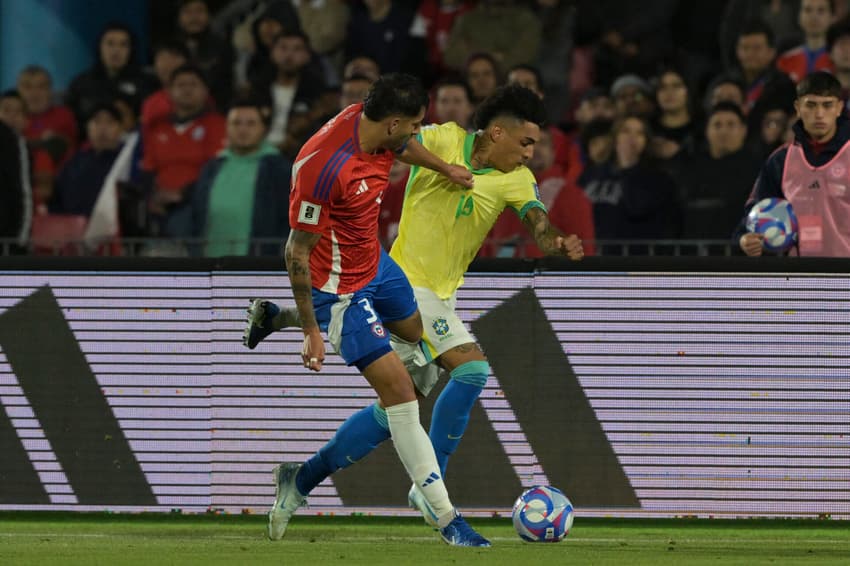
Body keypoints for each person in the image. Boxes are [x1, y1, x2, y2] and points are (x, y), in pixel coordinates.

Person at [244, 84, 584, 527]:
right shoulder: (442, 138)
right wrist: (441, 166)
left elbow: (538, 224)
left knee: (392, 413)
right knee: (472, 369)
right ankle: (432, 487)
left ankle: (300, 478)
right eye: (525, 143)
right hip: (402, 280)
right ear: (497, 133)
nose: (529, 155)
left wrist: (554, 241)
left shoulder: (517, 180)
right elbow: (394, 142)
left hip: (438, 297)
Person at [246, 73, 490, 546]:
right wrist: (313, 332)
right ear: (394, 121)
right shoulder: (322, 167)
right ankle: (447, 519)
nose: (419, 132)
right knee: (402, 395)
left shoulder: (379, 128)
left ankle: (274, 318)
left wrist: (446, 168)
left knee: (416, 332)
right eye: (415, 124)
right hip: (337, 290)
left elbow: (402, 149)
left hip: (376, 262)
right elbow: (296, 253)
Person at [737, 71, 850, 256]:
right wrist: (744, 239)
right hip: (797, 276)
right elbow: (755, 213)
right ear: (798, 108)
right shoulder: (781, 160)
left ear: (839, 108)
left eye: (827, 105)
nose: (819, 114)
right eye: (811, 105)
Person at [174, 99, 291, 256]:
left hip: (258, 265)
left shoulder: (278, 168)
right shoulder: (212, 167)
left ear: (264, 129)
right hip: (208, 263)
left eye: (251, 124)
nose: (243, 130)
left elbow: (288, 219)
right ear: (227, 128)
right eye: (236, 123)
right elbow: (196, 213)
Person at [677, 102, 761, 245]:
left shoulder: (758, 169)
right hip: (695, 254)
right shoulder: (691, 166)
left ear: (743, 130)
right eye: (717, 125)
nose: (724, 131)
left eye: (730, 124)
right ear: (707, 131)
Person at [65, 22, 155, 134]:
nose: (116, 50)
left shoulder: (147, 83)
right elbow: (69, 124)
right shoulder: (80, 84)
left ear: (131, 50)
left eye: (123, 45)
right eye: (110, 44)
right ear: (100, 47)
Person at [50, 102, 126, 217]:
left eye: (110, 122)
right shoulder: (75, 162)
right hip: (74, 229)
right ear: (87, 127)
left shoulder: (126, 162)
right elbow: (57, 198)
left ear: (120, 128)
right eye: (97, 122)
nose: (102, 128)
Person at [776, 0, 836, 83]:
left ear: (832, 17)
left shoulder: (841, 61)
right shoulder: (785, 60)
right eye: (808, 10)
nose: (814, 16)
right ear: (799, 16)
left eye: (821, 10)